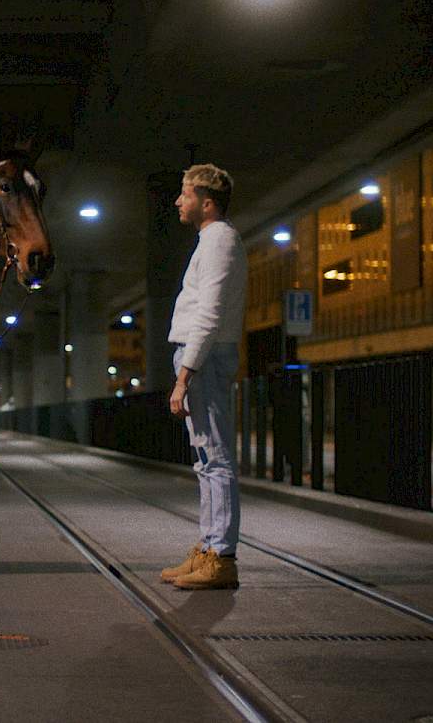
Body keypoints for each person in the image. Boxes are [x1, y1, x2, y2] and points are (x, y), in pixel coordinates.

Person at [159, 164, 247, 590]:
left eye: (185, 194)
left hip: (205, 360)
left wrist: (184, 376)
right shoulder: (210, 241)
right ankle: (209, 547)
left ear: (206, 202)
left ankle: (222, 557)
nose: (179, 201)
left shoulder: (220, 241)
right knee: (206, 458)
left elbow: (209, 314)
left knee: (216, 457)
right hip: (202, 359)